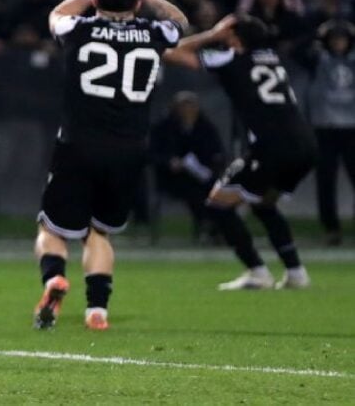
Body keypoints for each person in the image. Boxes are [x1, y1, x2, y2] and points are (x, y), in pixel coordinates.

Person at [34, 0, 187, 331]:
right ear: (137, 1)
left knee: (52, 228)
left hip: (78, 144)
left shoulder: (79, 29)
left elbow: (56, 14)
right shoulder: (154, 32)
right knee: (98, 232)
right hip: (129, 149)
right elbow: (180, 21)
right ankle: (97, 310)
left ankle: (54, 277)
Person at [163, 15, 316, 290]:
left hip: (272, 147)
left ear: (233, 37)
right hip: (305, 145)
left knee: (218, 203)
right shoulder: (272, 58)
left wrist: (211, 34)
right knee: (263, 204)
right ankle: (296, 272)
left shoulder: (231, 58)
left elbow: (169, 52)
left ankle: (257, 272)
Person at [301, 20, 355, 246]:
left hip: (352, 128)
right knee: (325, 181)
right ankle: (331, 228)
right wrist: (316, 35)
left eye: (342, 39)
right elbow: (294, 49)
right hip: (325, 128)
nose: (338, 43)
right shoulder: (317, 60)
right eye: (333, 39)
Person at [150, 92, 225, 241]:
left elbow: (217, 152)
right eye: (183, 106)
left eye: (191, 105)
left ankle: (217, 228)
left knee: (216, 190)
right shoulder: (164, 128)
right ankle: (206, 225)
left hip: (202, 176)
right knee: (194, 192)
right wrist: (170, 162)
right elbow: (152, 154)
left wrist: (209, 165)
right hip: (173, 178)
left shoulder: (206, 128)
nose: (188, 109)